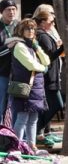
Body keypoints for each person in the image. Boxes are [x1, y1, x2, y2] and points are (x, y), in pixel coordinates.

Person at [7, 19, 50, 149]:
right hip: (25, 88)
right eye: (27, 29)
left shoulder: (32, 45)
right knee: (22, 119)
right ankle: (16, 146)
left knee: (33, 120)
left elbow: (46, 61)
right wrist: (43, 68)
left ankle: (32, 146)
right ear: (21, 31)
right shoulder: (19, 46)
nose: (31, 31)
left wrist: (37, 47)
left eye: (32, 28)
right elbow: (31, 64)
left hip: (36, 88)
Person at [34, 11, 64, 142]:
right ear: (42, 22)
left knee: (48, 105)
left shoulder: (44, 35)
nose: (53, 24)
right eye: (50, 21)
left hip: (51, 75)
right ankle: (37, 129)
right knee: (57, 104)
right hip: (48, 76)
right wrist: (63, 47)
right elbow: (49, 56)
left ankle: (40, 131)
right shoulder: (42, 36)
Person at [0, 0, 19, 121]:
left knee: (17, 105)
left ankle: (13, 135)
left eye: (13, 9)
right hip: (2, 72)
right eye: (8, 10)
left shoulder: (19, 25)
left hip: (19, 72)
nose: (11, 12)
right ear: (2, 11)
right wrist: (8, 46)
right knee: (1, 104)